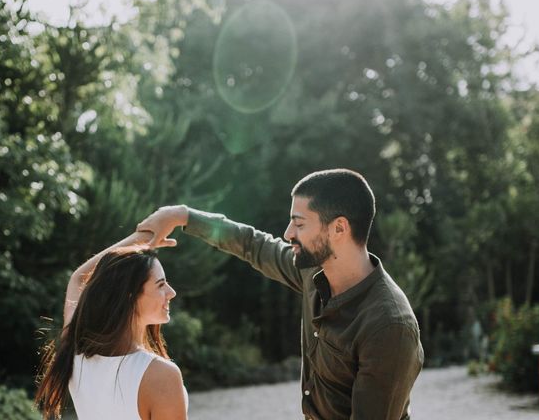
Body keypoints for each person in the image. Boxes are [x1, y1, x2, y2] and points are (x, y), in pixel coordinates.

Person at [137, 168, 424, 420]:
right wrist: (182, 216)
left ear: (339, 228)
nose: (288, 233)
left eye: (299, 224)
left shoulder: (389, 326)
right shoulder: (313, 271)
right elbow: (252, 244)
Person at [34, 231, 188, 420]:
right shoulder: (161, 375)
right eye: (160, 284)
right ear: (129, 297)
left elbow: (78, 278)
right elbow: (78, 278)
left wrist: (140, 237)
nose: (171, 292)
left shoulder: (74, 352)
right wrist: (140, 237)